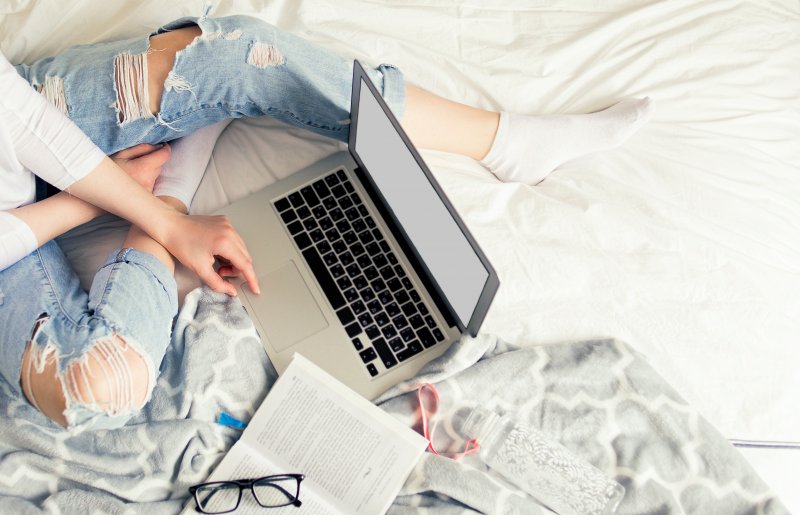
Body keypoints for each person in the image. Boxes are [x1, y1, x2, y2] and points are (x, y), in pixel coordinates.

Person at [1, 13, 653, 432]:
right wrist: (139, 209)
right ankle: (171, 187)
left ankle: (506, 141)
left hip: (21, 129)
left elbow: (24, 121)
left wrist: (116, 190)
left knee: (238, 59)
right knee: (94, 389)